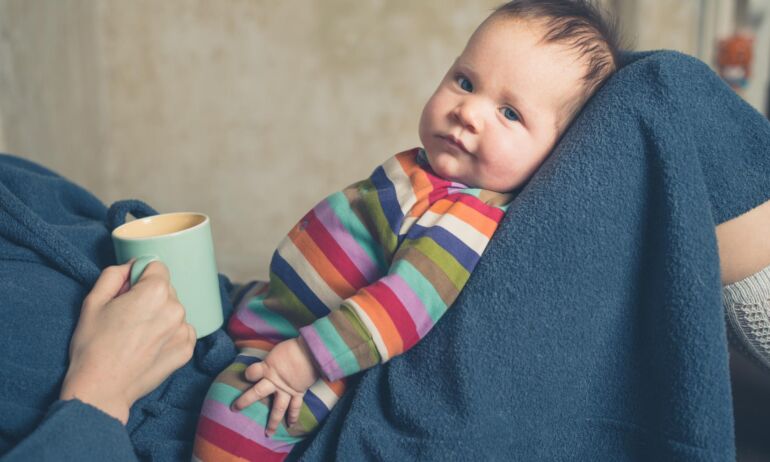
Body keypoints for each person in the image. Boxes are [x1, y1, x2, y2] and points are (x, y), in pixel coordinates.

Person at [191, 1, 621, 460]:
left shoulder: (466, 217)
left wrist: (306, 359)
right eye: (465, 82)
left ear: (553, 155)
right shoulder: (433, 174)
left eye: (510, 113)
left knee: (235, 411)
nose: (468, 112)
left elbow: (401, 308)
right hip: (282, 312)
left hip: (313, 357)